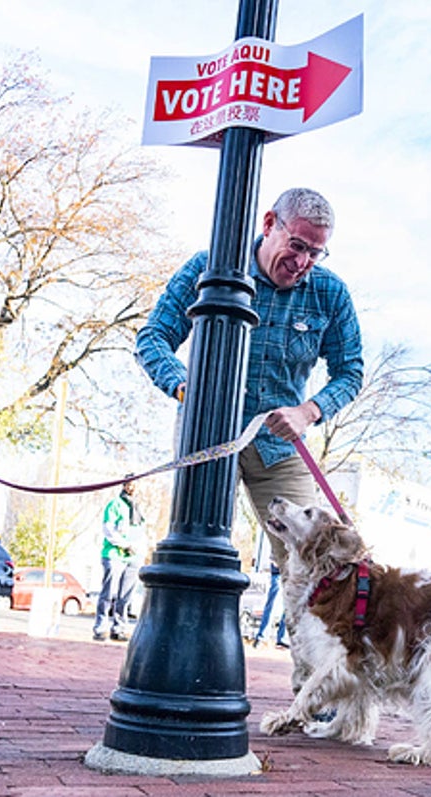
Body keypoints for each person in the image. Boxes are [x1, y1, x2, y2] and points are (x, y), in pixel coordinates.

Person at [136, 188, 364, 568]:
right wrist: (184, 388)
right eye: (296, 245)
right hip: (209, 436)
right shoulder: (209, 267)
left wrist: (307, 412)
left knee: (314, 566)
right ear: (270, 223)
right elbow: (152, 337)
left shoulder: (331, 294)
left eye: (315, 252)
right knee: (195, 552)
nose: (302, 261)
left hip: (280, 449)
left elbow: (350, 371)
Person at [93, 481, 145, 642]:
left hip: (134, 557)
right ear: (124, 485)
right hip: (115, 554)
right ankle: (101, 627)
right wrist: (125, 545)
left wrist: (139, 550)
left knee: (126, 596)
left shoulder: (138, 508)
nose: (132, 487)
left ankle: (119, 627)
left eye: (136, 484)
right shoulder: (115, 505)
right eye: (129, 484)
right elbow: (109, 529)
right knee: (108, 593)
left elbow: (141, 532)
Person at [252, 562, 288, 649]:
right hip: (279, 571)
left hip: (294, 572)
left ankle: (283, 639)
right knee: (273, 604)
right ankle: (262, 637)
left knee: (290, 607)